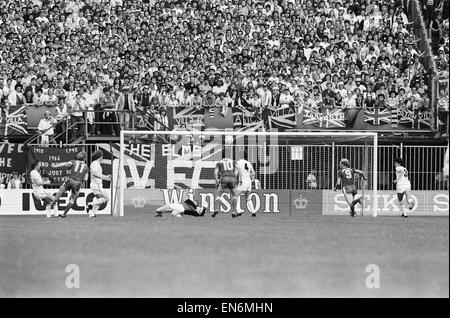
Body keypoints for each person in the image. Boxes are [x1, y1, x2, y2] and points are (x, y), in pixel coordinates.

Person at [50, 151, 89, 218]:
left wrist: (55, 166)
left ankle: (55, 201)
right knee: (72, 199)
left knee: (61, 191)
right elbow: (86, 179)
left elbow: (65, 164)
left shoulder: (73, 162)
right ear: (85, 158)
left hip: (70, 180)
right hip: (78, 183)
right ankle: (64, 214)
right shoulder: (86, 167)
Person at [86, 150, 111, 218]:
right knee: (106, 198)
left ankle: (92, 214)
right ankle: (90, 204)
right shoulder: (95, 163)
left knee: (99, 200)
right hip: (97, 185)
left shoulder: (95, 163)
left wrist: (105, 177)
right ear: (101, 157)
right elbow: (94, 173)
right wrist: (105, 177)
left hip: (96, 184)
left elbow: (97, 173)